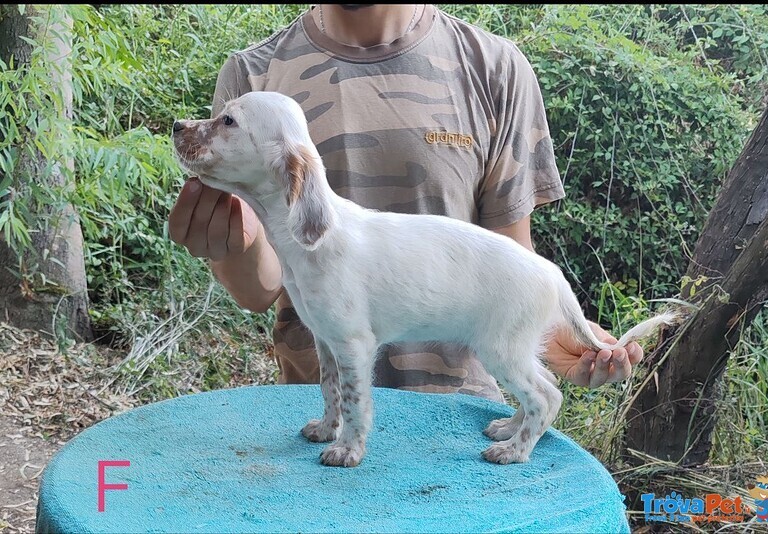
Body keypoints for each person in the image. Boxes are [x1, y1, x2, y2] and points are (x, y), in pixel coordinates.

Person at [168, 4, 644, 402]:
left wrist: (547, 332)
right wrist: (232, 243)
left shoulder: (494, 68)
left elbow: (507, 254)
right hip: (319, 417)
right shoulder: (256, 79)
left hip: (460, 421)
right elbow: (261, 287)